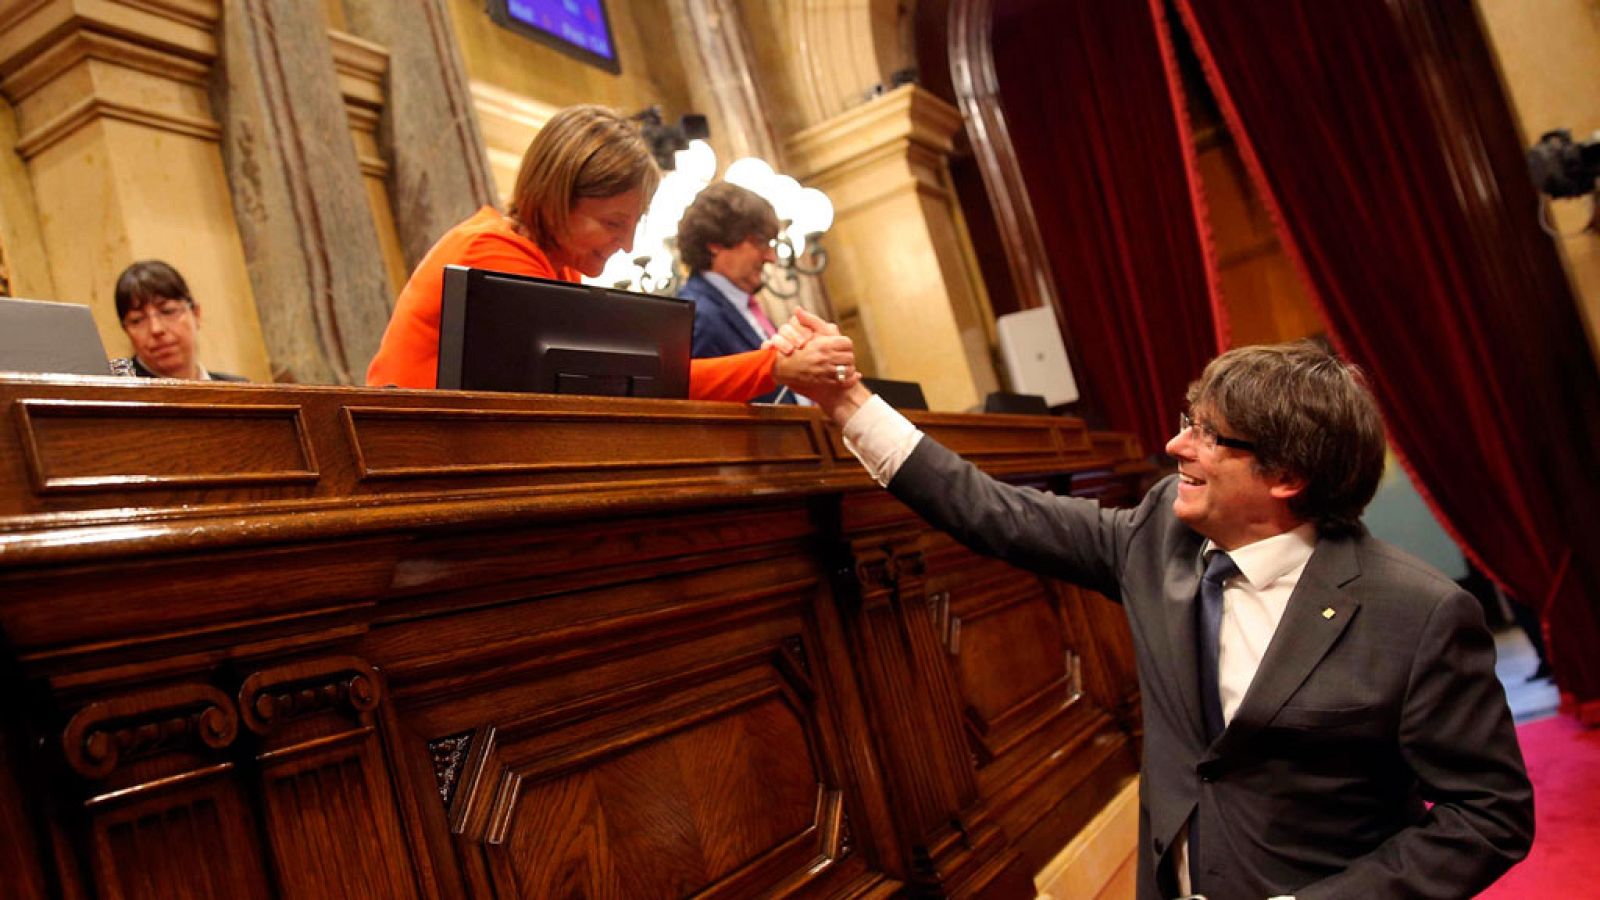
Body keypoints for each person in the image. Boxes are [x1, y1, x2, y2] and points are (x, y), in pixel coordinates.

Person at [783, 321, 1533, 900]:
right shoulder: (1158, 541)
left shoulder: (1417, 612)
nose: (1176, 443)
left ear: (1288, 477)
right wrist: (846, 401)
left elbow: (1490, 816)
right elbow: (989, 510)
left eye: (1208, 435)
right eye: (1188, 418)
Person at [367, 104, 853, 399]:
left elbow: (638, 375)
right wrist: (771, 365)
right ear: (554, 197)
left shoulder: (559, 269)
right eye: (612, 223)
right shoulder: (493, 253)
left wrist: (772, 363)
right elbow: (629, 379)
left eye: (636, 223)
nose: (628, 244)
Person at [675, 182, 791, 403]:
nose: (771, 257)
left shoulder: (744, 304)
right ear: (715, 243)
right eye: (760, 243)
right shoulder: (695, 314)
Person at [113, 260, 246, 381]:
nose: (156, 329)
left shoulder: (241, 392)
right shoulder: (117, 399)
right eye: (137, 320)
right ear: (126, 330)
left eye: (168, 311)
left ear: (196, 313)